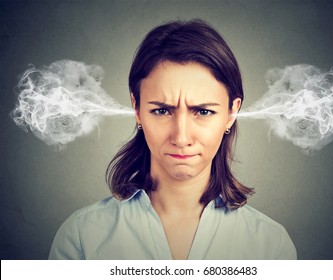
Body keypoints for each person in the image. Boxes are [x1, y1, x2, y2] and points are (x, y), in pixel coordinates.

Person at [49, 19, 297, 260]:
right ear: (137, 109)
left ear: (232, 113)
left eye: (203, 111)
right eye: (162, 111)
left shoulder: (271, 248)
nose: (181, 137)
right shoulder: (81, 239)